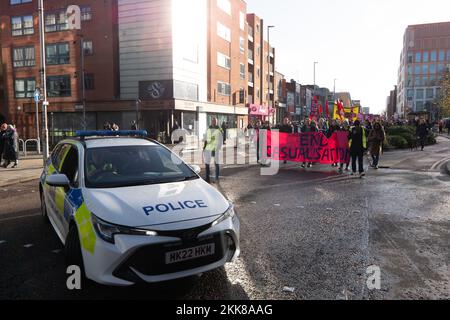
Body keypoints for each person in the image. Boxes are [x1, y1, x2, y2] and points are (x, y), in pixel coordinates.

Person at [203, 118, 223, 184]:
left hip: (216, 149)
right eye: (213, 121)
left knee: (216, 163)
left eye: (215, 121)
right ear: (211, 122)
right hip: (209, 148)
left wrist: (219, 147)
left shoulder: (219, 129)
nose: (214, 122)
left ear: (217, 122)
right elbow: (206, 138)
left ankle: (216, 178)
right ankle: (207, 178)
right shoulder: (208, 128)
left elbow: (221, 139)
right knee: (207, 164)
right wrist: (204, 147)